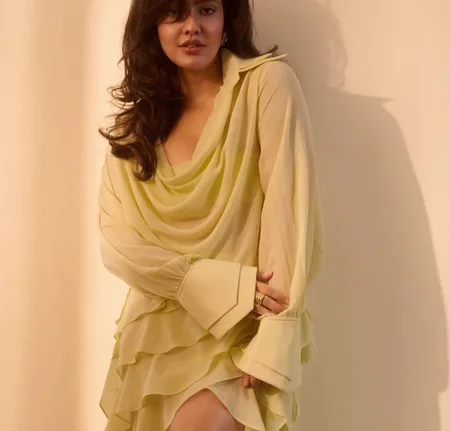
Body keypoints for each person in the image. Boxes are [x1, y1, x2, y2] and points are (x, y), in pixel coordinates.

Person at [97, 0, 324, 430]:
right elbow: (118, 246)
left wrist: (275, 336)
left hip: (239, 329)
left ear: (227, 18)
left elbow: (288, 212)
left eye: (205, 9)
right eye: (173, 13)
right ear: (151, 25)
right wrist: (207, 282)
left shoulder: (265, 86)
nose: (191, 27)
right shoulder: (134, 129)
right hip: (154, 338)